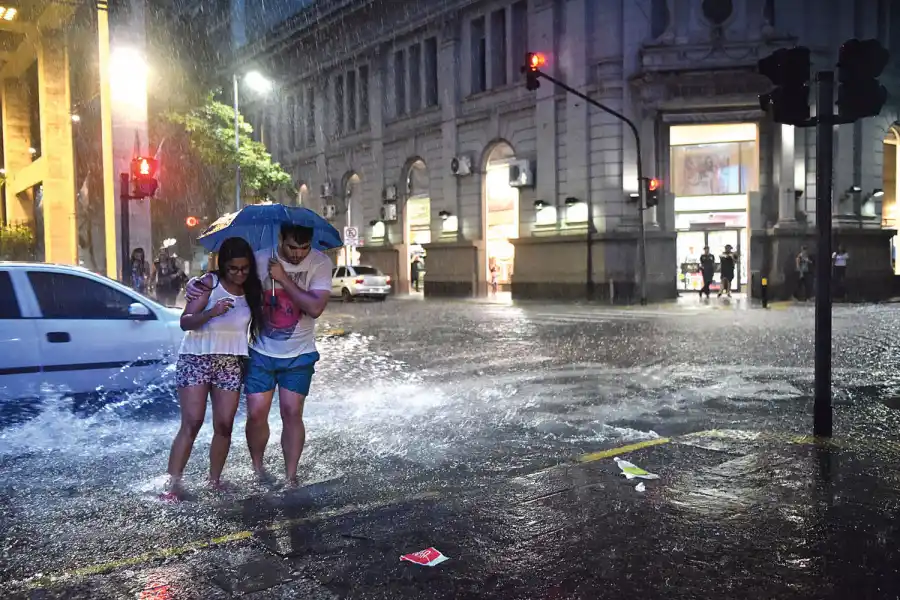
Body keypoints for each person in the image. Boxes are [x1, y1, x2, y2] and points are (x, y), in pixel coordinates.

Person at [185, 225, 332, 486]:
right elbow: (230, 277)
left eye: (304, 248)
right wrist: (197, 282)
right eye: (292, 247)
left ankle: (291, 476)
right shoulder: (260, 259)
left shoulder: (320, 263)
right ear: (281, 239)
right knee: (256, 413)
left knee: (291, 412)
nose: (298, 254)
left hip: (299, 353)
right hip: (260, 351)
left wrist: (284, 278)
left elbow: (315, 308)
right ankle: (258, 467)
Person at [162, 237, 264, 501]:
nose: (239, 273)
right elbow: (185, 322)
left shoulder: (253, 289)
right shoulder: (210, 283)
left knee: (224, 424)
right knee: (192, 422)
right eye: (233, 269)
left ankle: (214, 480)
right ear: (223, 265)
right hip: (196, 359)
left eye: (244, 268)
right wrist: (212, 312)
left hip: (230, 362)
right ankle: (172, 486)